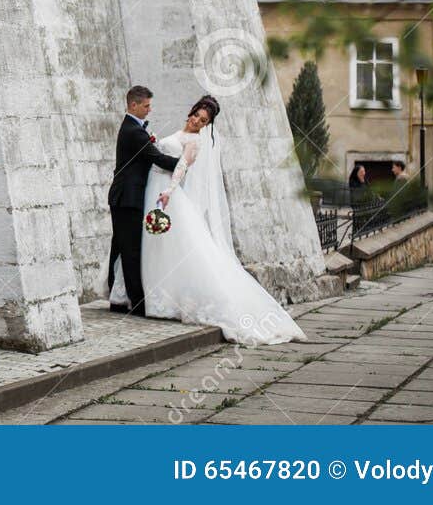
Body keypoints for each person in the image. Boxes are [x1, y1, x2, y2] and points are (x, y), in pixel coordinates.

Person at [109, 95, 306, 345]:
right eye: (196, 116)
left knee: (170, 246)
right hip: (150, 189)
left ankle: (165, 300)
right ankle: (146, 295)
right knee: (151, 246)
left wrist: (168, 192)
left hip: (165, 193)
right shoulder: (177, 134)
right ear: (191, 112)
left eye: (203, 121)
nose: (196, 122)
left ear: (206, 124)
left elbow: (182, 168)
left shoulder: (195, 142)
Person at [106, 84, 177, 317]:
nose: (149, 110)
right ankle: (136, 303)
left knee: (120, 247)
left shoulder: (133, 128)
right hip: (127, 198)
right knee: (130, 250)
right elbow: (156, 158)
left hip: (124, 196)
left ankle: (117, 297)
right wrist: (184, 164)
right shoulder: (134, 132)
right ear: (133, 105)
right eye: (146, 106)